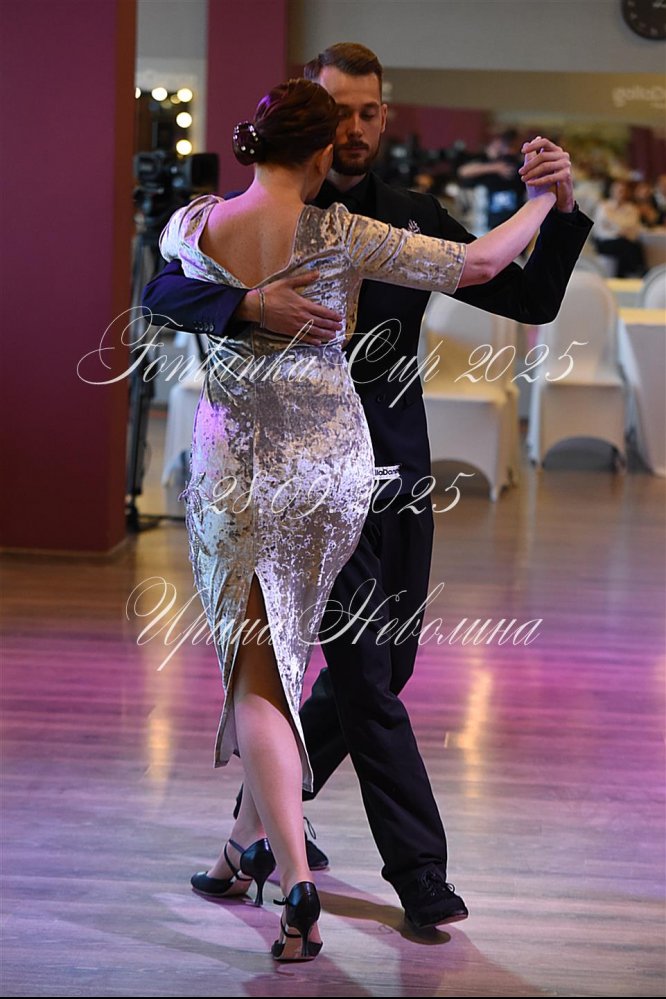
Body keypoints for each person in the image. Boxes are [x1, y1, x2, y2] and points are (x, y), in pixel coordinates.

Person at [142, 43, 593, 934]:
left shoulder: (404, 214)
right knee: (359, 678)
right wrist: (247, 306)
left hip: (390, 471)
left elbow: (525, 295)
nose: (352, 126)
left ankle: (252, 836)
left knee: (369, 668)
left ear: (383, 117)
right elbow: (163, 290)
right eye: (336, 111)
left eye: (367, 111)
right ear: (310, 122)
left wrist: (560, 205)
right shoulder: (294, 223)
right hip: (311, 480)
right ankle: (416, 873)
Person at [593, 179, 646, 277]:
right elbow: (600, 230)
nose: (621, 193)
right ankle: (636, 271)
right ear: (612, 191)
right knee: (626, 246)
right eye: (618, 190)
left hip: (625, 240)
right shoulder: (604, 207)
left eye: (624, 190)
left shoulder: (631, 208)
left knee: (631, 246)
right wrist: (619, 230)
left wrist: (614, 226)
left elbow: (634, 228)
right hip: (606, 241)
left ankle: (625, 274)